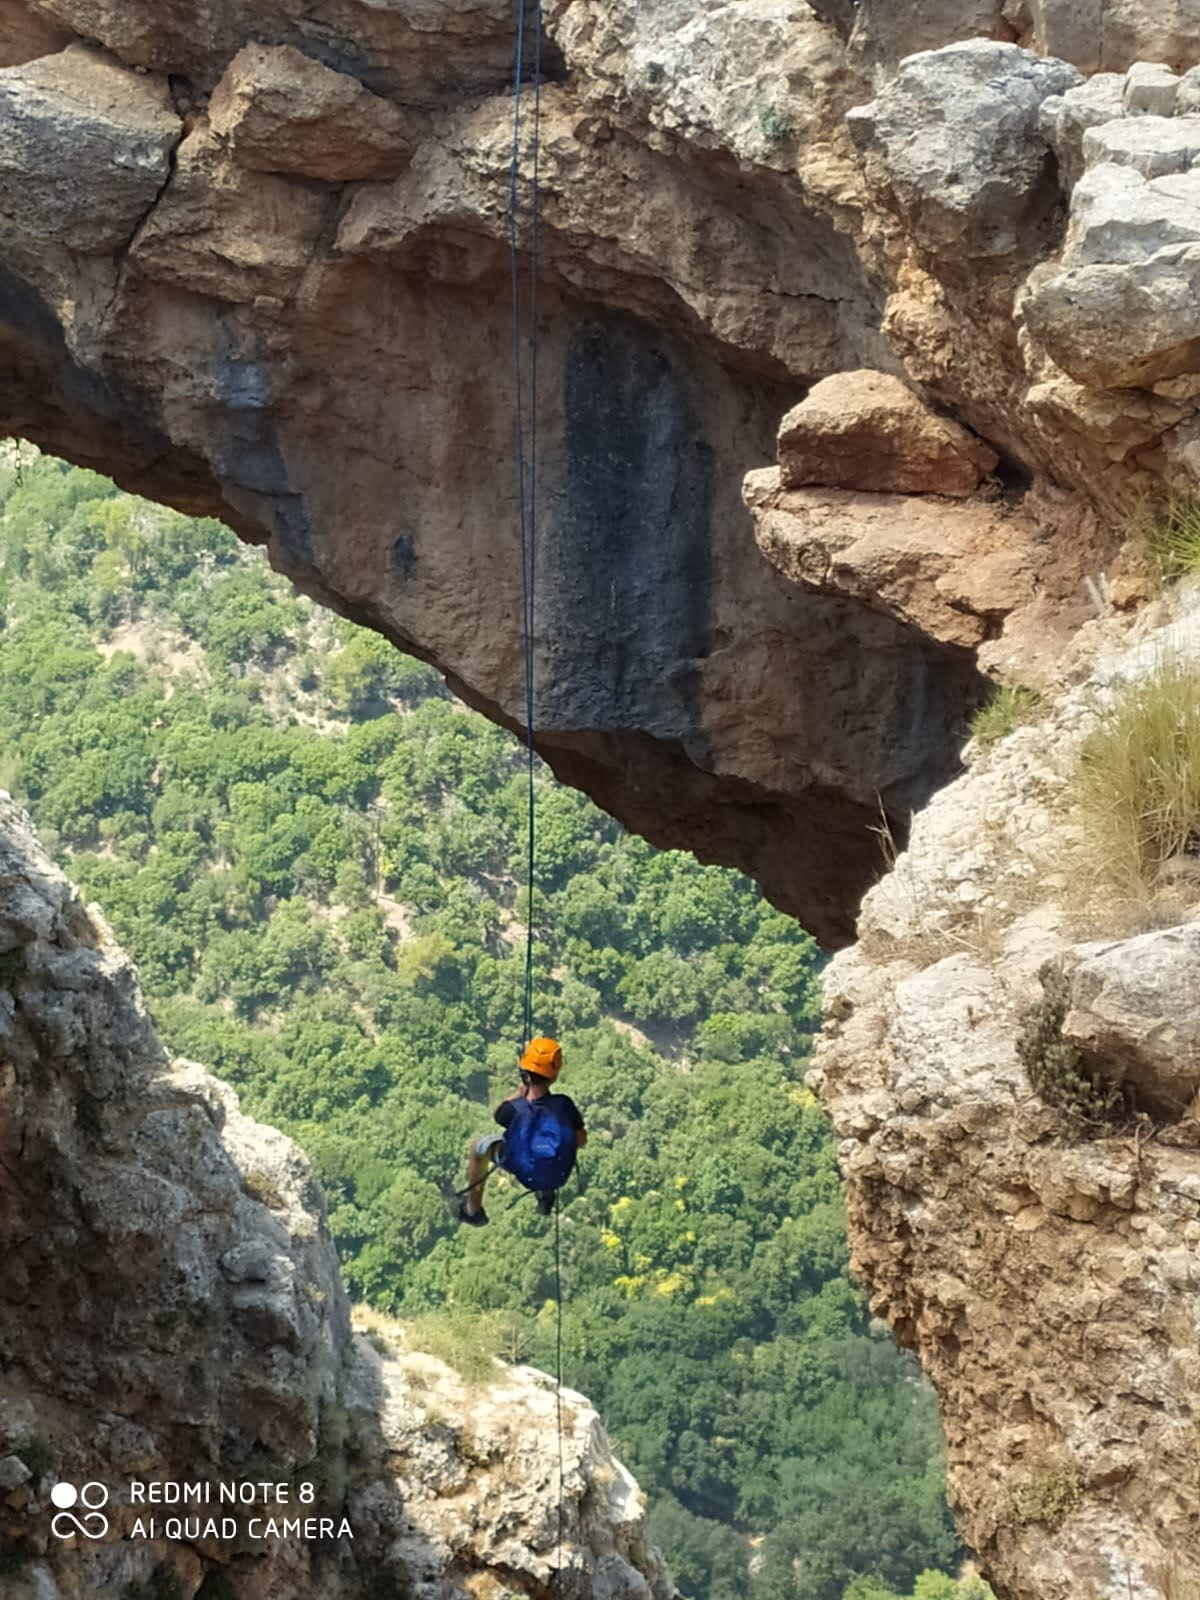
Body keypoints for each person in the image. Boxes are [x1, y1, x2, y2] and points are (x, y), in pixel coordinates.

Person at [458, 1036, 587, 1226]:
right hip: (559, 1173)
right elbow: (581, 1140)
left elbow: (499, 1113)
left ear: (525, 1072)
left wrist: (520, 1092)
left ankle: (472, 1210)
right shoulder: (564, 1105)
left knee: (479, 1148)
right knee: (544, 1152)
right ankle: (545, 1190)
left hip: (525, 1171)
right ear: (554, 1075)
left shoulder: (514, 1109)